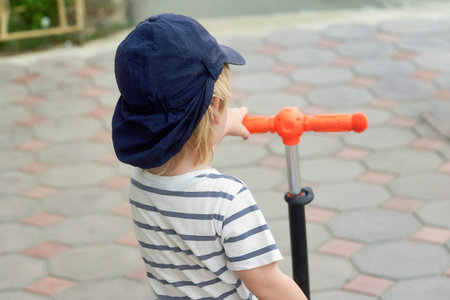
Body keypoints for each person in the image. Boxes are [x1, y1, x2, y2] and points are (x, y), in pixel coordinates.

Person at [111, 13, 307, 300]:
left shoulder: (141, 183)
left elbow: (180, 145)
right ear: (215, 107)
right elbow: (268, 285)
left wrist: (224, 124)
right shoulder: (226, 199)